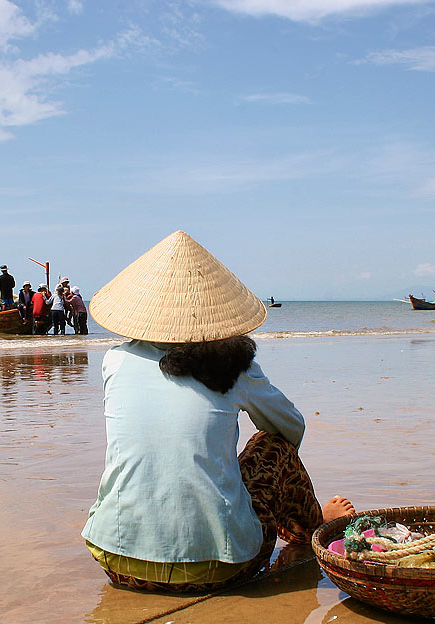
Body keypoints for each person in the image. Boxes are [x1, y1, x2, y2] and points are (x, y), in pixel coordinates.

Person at [81, 230, 354, 593]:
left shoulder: (115, 360)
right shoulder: (234, 367)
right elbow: (290, 428)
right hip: (220, 570)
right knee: (272, 446)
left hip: (116, 560)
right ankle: (313, 525)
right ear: (214, 313)